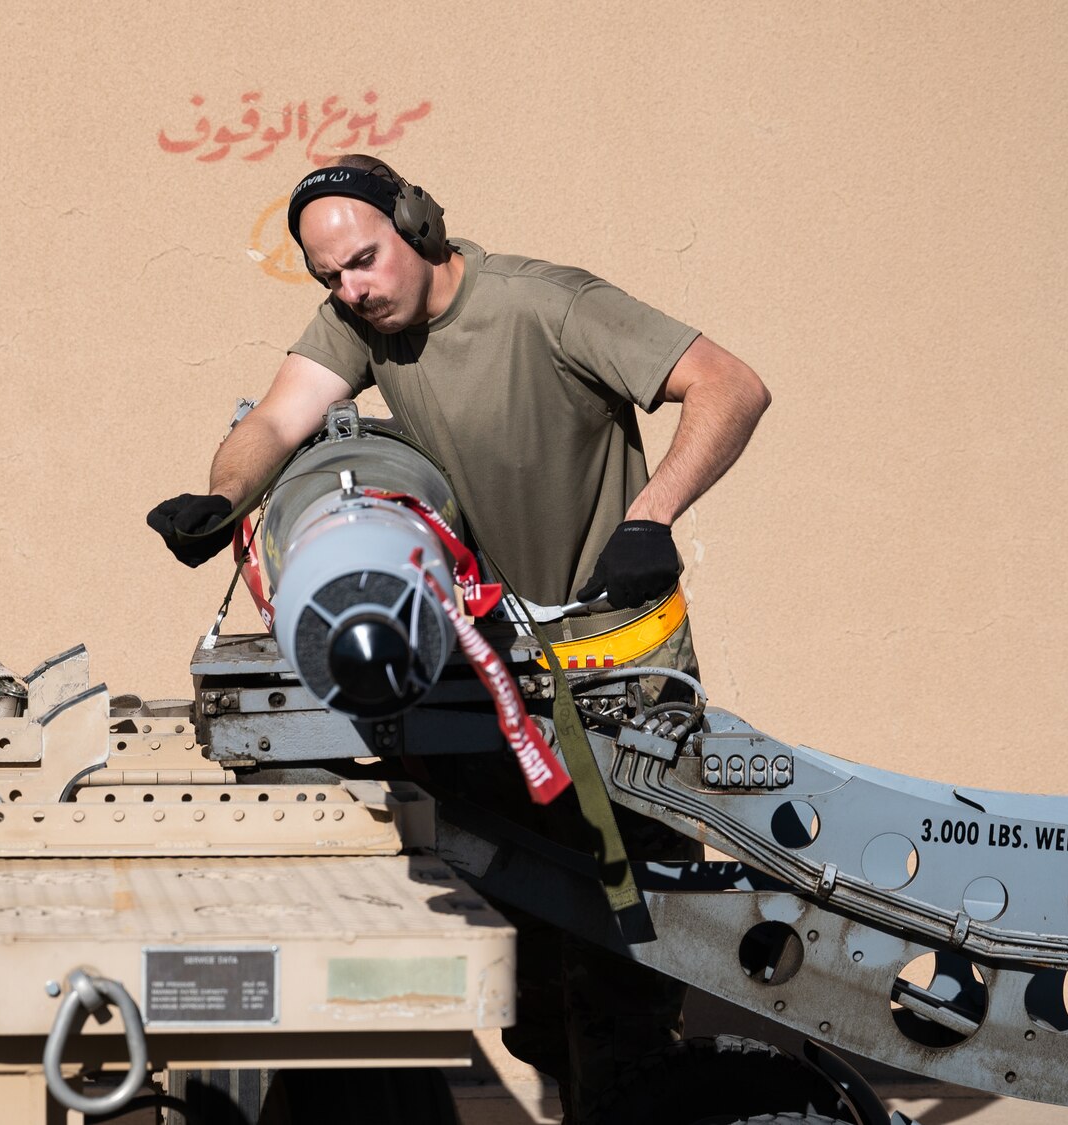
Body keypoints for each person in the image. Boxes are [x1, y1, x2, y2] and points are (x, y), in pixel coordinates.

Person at [146, 154, 771, 1121]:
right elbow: (277, 415)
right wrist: (223, 494)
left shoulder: (547, 307)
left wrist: (652, 518)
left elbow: (731, 385)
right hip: (498, 681)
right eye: (330, 278)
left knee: (623, 958)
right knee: (530, 960)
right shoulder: (360, 322)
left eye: (363, 261)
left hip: (616, 681)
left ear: (420, 225)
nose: (352, 290)